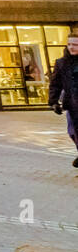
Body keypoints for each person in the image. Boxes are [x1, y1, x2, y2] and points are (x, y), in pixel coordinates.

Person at [48, 32, 78, 168]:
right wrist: (53, 102)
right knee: (73, 132)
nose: (71, 47)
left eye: (75, 45)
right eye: (69, 44)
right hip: (72, 104)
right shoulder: (61, 63)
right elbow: (55, 84)